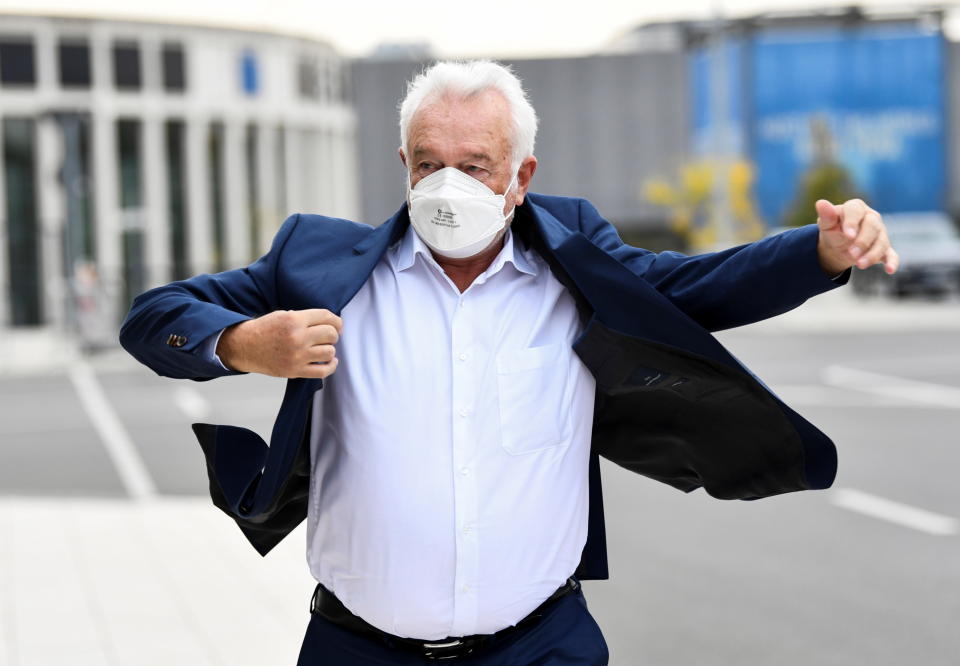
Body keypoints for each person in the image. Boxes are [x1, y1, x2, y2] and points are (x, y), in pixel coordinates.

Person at [119, 60, 897, 665]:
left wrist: (820, 251)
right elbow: (154, 317)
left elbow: (698, 287)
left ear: (521, 177)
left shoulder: (575, 262)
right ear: (403, 164)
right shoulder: (318, 263)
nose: (448, 186)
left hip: (539, 648)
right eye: (428, 164)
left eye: (477, 164)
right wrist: (242, 343)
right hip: (355, 649)